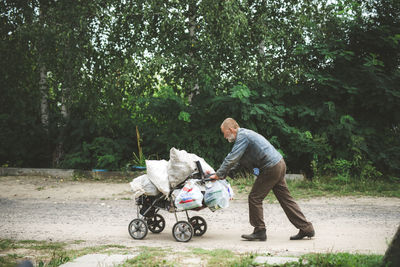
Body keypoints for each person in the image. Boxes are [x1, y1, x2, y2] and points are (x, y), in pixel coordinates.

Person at [209, 118, 315, 241]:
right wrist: (223, 174)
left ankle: (259, 230)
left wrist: (218, 174)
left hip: (270, 168)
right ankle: (307, 228)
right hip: (279, 164)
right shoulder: (245, 136)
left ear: (231, 129)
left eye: (224, 133)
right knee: (286, 200)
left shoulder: (242, 136)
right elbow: (238, 161)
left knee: (254, 198)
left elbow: (232, 158)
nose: (224, 136)